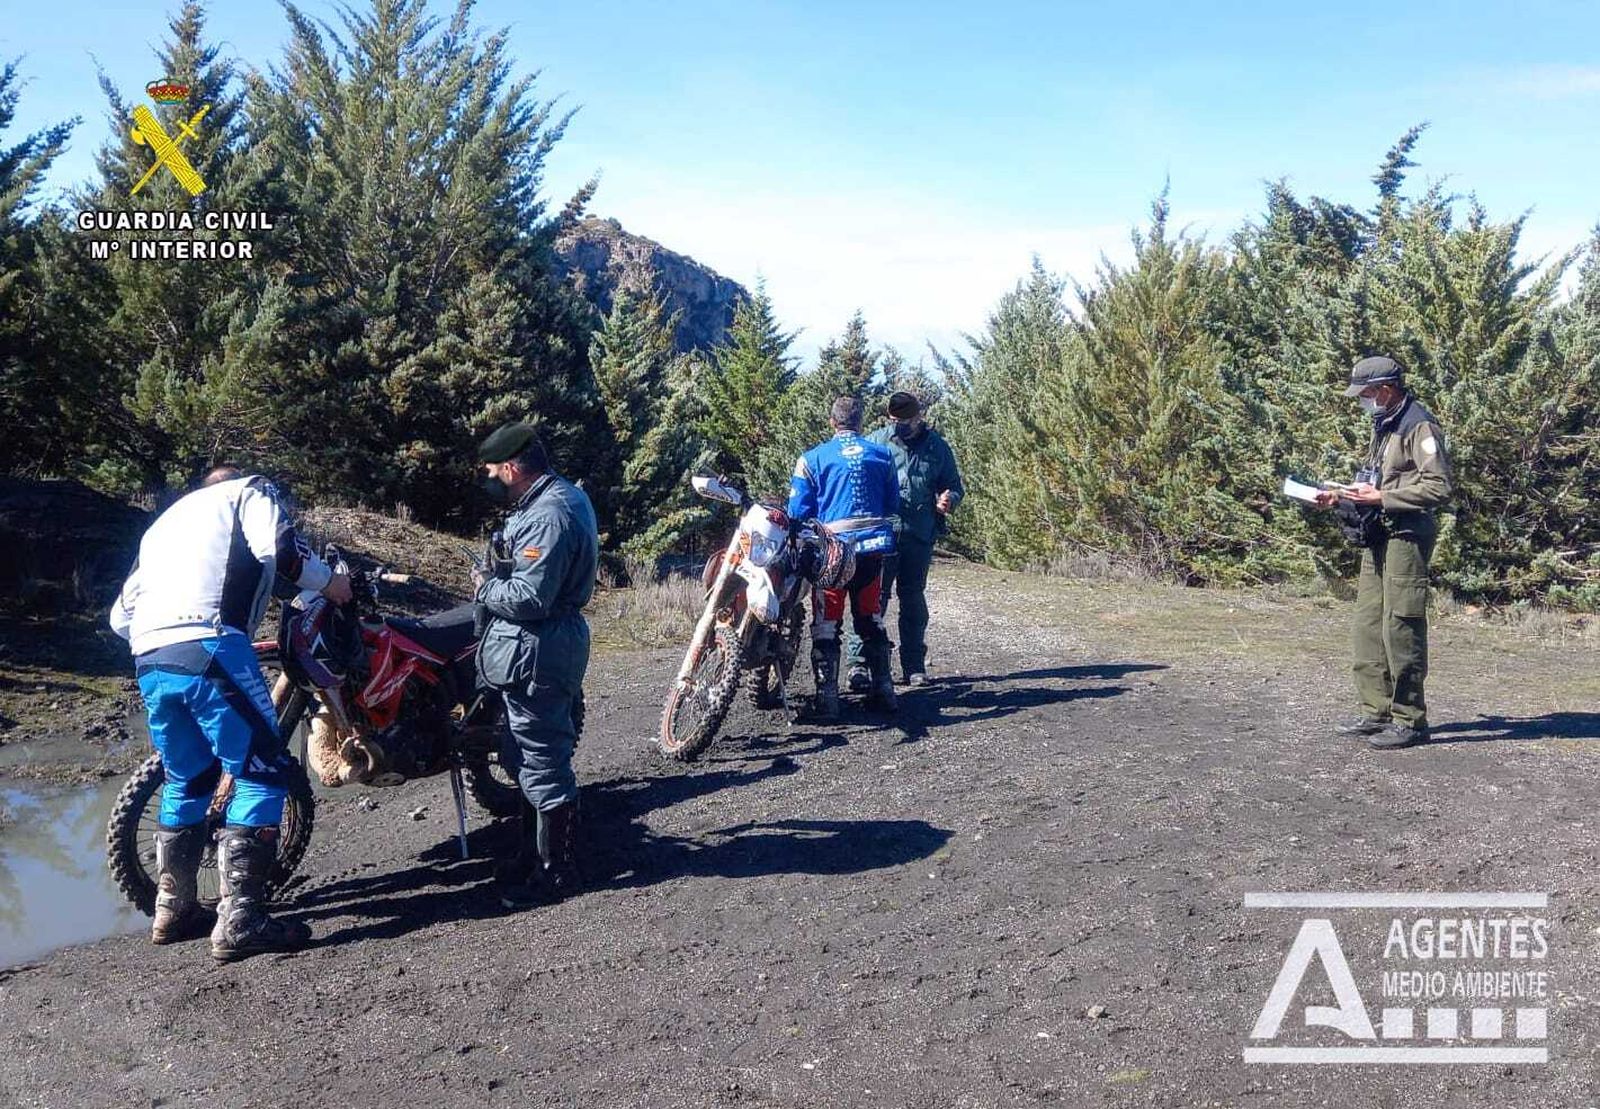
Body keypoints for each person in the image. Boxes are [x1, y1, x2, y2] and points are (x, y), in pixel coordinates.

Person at [110, 465, 352, 961]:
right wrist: (333, 585)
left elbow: (119, 617)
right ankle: (242, 918)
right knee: (264, 772)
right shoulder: (250, 492)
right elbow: (281, 552)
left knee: (188, 778)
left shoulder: (167, 522)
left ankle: (173, 910)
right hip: (211, 645)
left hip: (151, 657)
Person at [474, 422, 599, 909]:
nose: (488, 480)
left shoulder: (549, 514)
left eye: (491, 471)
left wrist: (484, 584)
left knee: (543, 759)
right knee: (523, 755)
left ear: (510, 468)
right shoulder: (559, 499)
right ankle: (530, 855)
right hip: (535, 647)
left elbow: (531, 596)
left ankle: (556, 872)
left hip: (539, 648)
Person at [1313, 356, 1454, 750]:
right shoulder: (1385, 422)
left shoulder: (1418, 425)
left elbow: (1439, 487)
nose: (1363, 401)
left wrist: (1384, 497)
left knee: (1400, 624)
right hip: (1378, 533)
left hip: (1406, 536)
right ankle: (1375, 711)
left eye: (1367, 393)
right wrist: (1341, 495)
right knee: (1368, 625)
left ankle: (1410, 720)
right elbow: (1378, 479)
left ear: (1386, 389)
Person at [788, 395, 901, 718]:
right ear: (860, 423)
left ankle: (828, 701)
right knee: (871, 619)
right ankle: (885, 691)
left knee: (826, 625)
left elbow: (797, 512)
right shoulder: (882, 455)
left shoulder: (813, 459)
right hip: (873, 551)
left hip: (833, 557)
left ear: (831, 422)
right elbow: (893, 504)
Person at [846, 390, 964, 689]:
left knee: (912, 601)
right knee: (871, 599)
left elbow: (953, 485)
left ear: (919, 416)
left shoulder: (938, 448)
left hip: (918, 535)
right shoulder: (874, 443)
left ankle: (913, 666)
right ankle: (858, 665)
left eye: (906, 420)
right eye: (894, 420)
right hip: (880, 535)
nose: (899, 425)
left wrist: (950, 499)